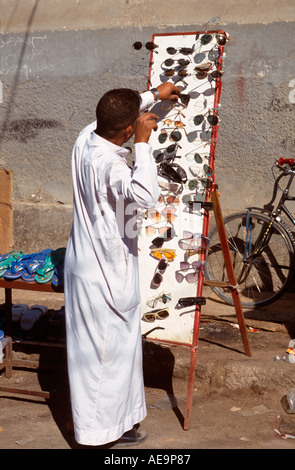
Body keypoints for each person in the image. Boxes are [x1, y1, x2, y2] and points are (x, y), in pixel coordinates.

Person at [64, 82, 180, 447]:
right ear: (129, 130)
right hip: (104, 273)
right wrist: (143, 144)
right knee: (102, 359)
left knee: (116, 355)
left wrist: (155, 96)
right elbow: (144, 195)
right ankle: (97, 435)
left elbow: (116, 116)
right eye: (133, 128)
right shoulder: (110, 165)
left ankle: (118, 424)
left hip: (87, 265)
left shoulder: (87, 136)